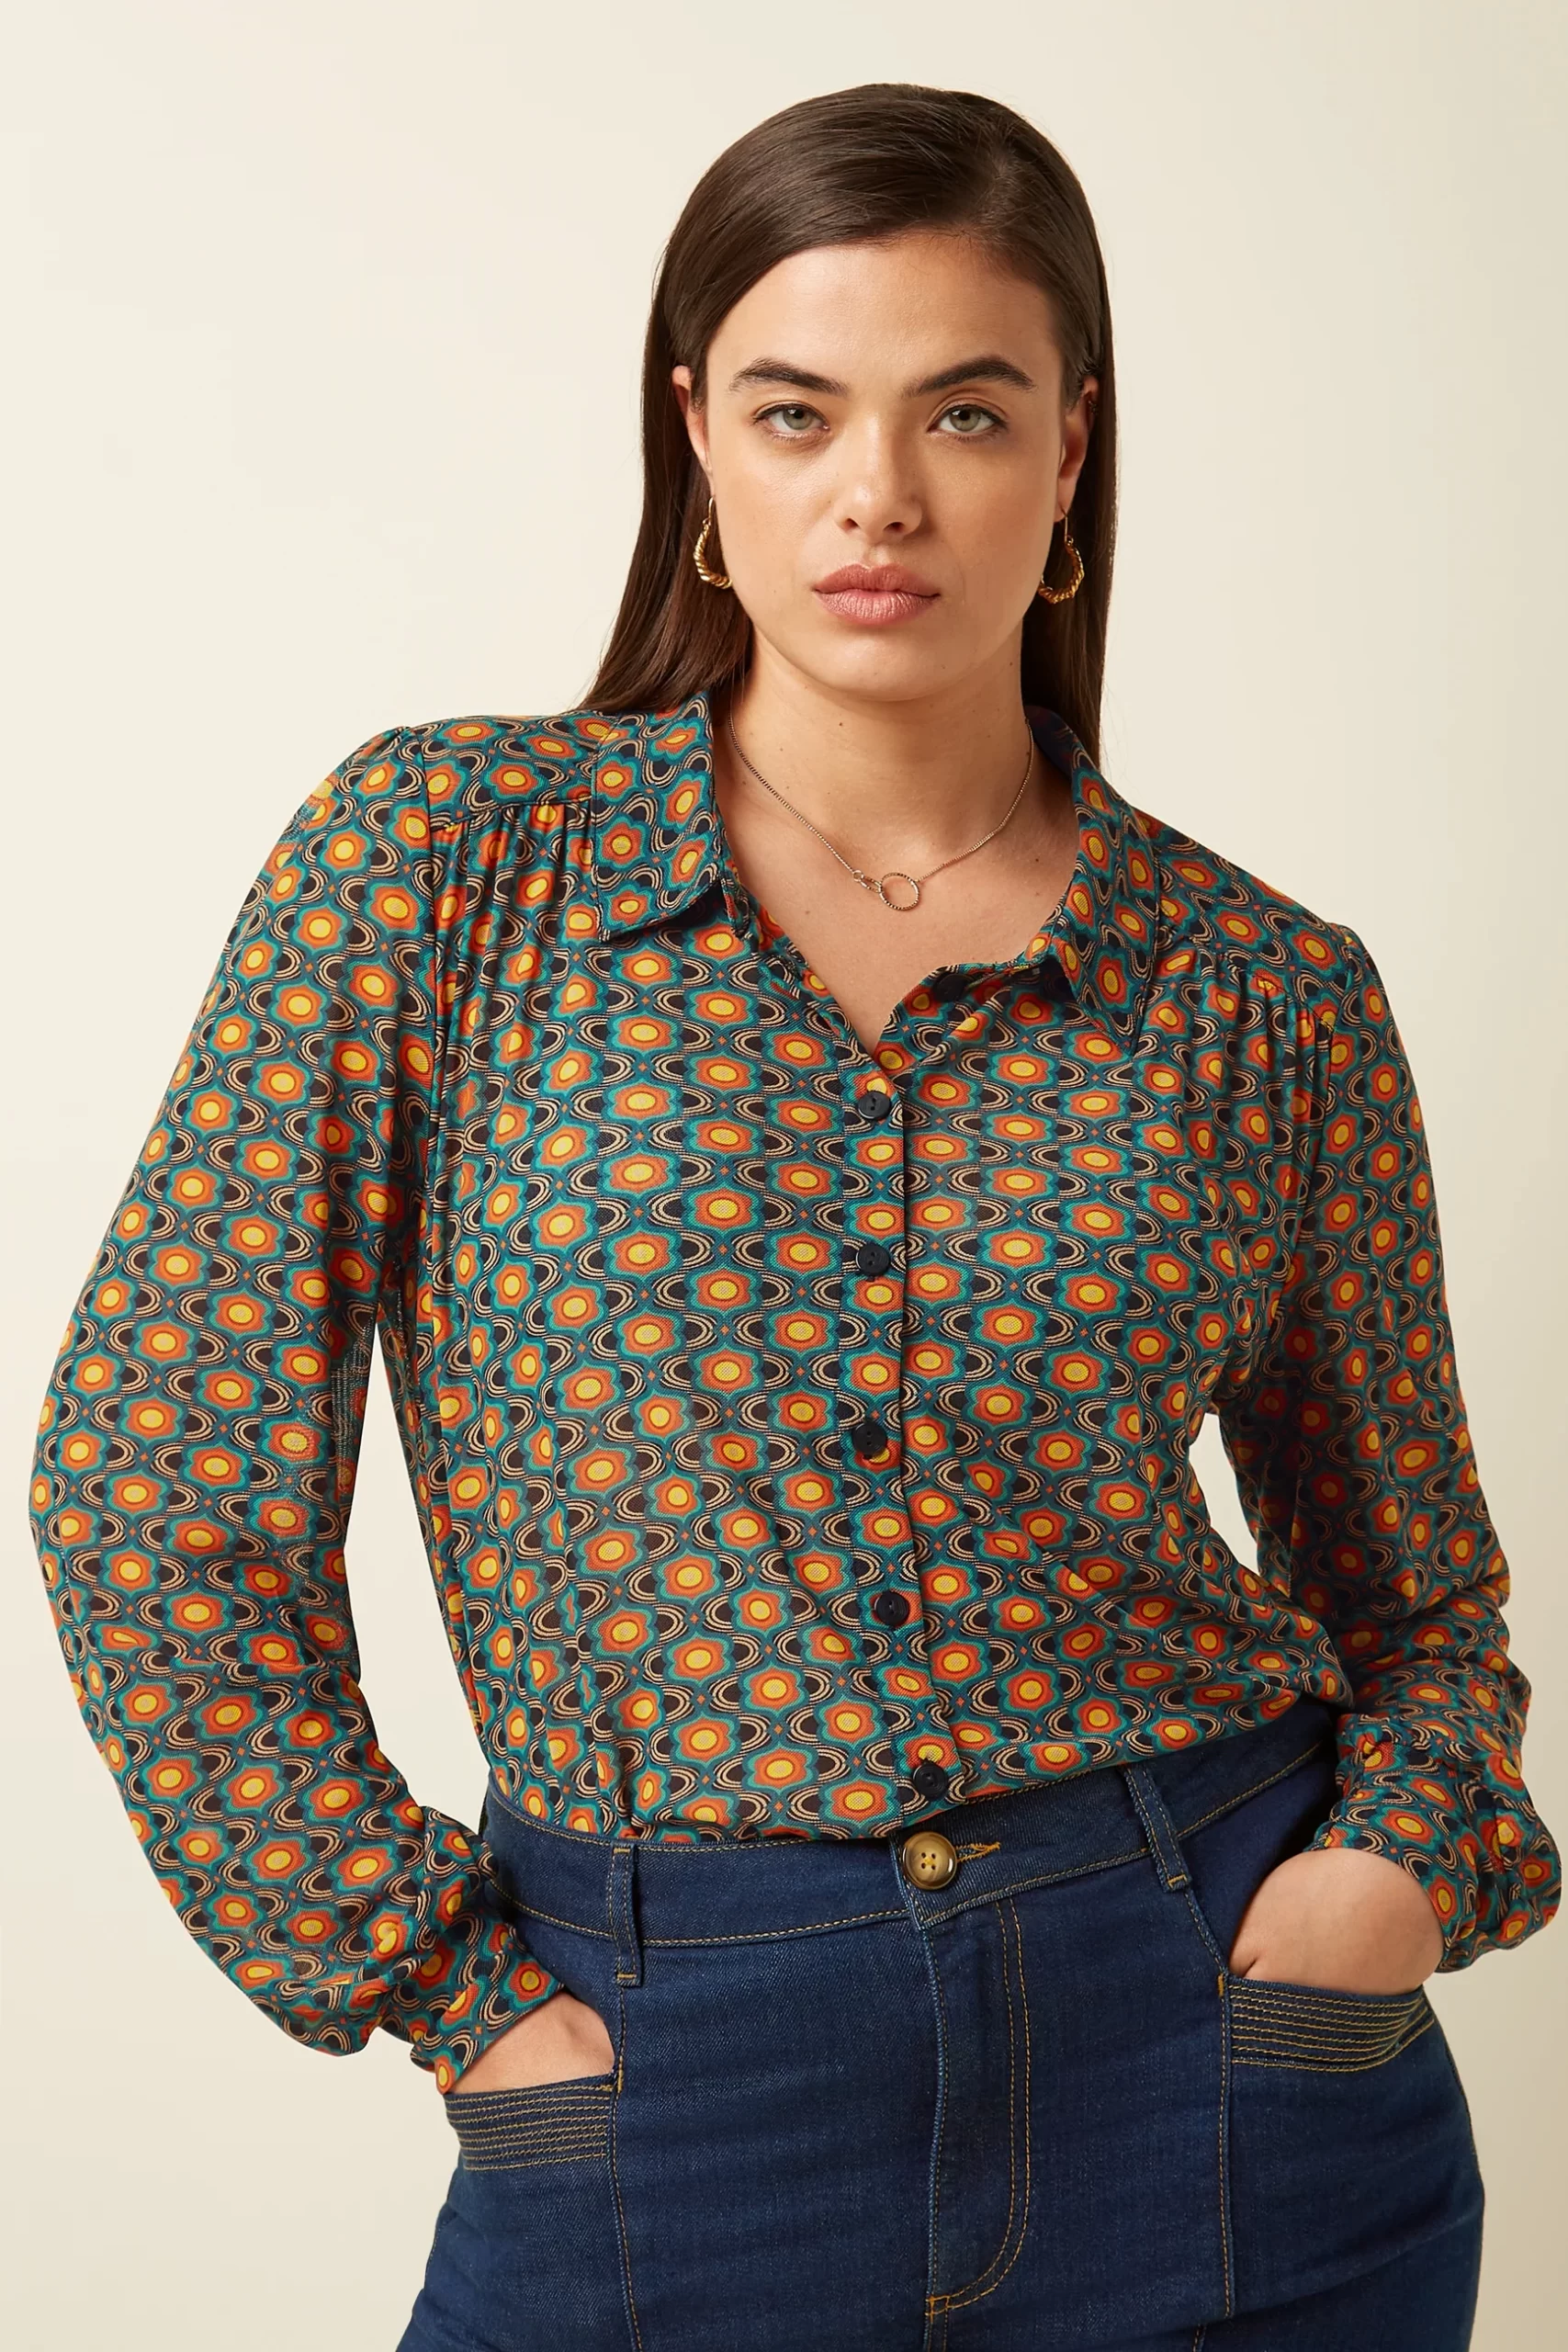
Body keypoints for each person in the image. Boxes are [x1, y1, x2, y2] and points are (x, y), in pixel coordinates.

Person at [30, 82, 1558, 2352]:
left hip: (1222, 2065)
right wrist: (436, 1979)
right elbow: (151, 1473)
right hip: (665, 2072)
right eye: (795, 408)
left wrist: (1385, 1879)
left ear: (1068, 453)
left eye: (965, 411)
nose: (878, 492)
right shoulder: (443, 869)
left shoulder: (1258, 990)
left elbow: (1415, 1591)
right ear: (694, 440)